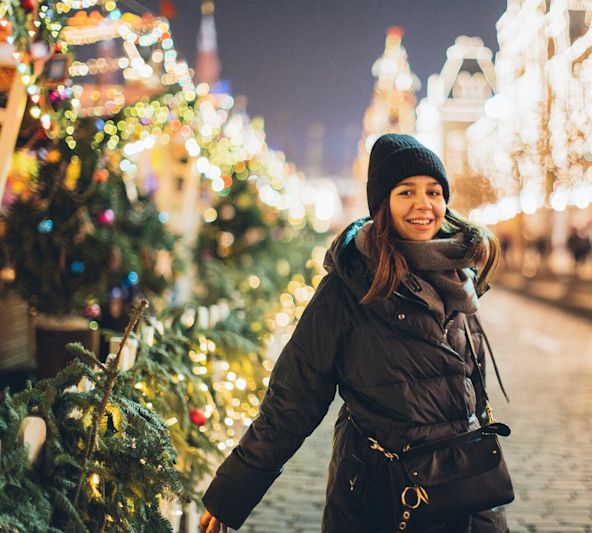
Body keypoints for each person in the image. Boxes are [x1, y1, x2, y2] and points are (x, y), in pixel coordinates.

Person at [199, 134, 508, 532]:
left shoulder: (458, 278)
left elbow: (472, 405)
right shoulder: (351, 286)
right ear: (383, 204)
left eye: (433, 191)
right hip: (382, 497)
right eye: (406, 192)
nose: (423, 204)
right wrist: (233, 494)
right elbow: (292, 400)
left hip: (465, 496)